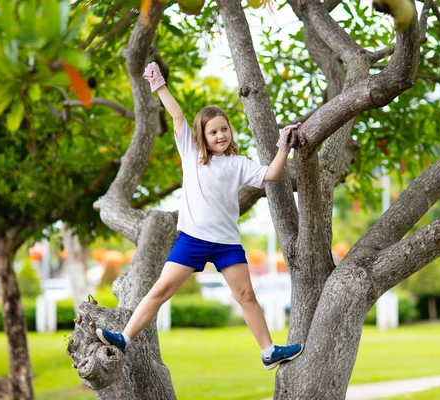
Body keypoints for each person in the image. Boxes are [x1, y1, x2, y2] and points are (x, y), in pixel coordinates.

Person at [96, 62, 303, 370]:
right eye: (213, 131)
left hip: (226, 243)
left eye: (224, 129)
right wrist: (159, 84)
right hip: (192, 239)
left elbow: (272, 175)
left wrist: (283, 148)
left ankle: (269, 351)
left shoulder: (238, 163)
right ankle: (125, 338)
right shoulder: (191, 154)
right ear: (202, 136)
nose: (220, 135)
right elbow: (177, 116)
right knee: (161, 290)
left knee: (246, 294)